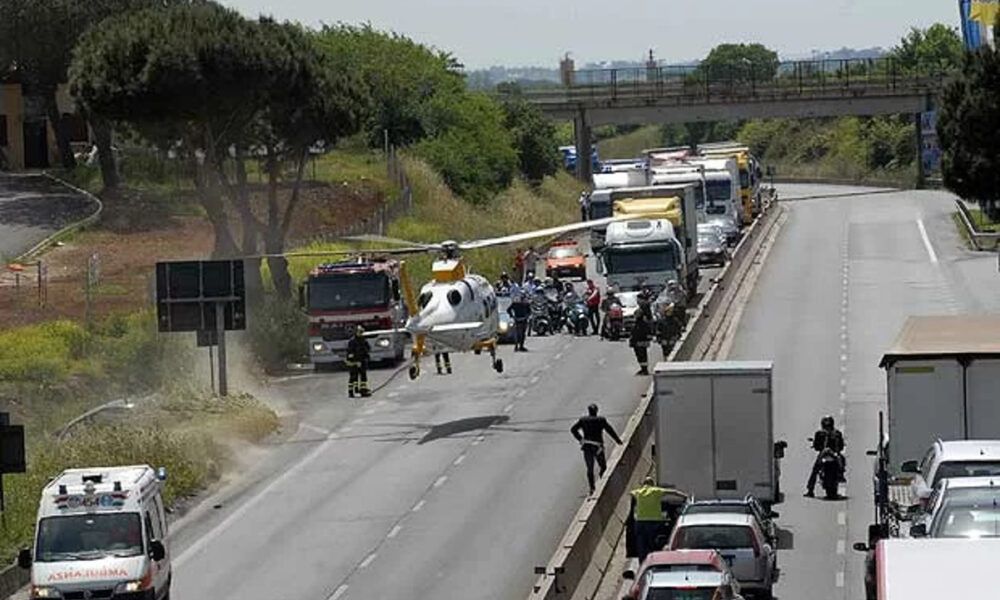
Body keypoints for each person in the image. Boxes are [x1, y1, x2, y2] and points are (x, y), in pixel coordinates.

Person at [570, 404, 623, 495]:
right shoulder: (601, 420)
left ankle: (592, 487)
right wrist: (617, 440)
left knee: (590, 468)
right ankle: (602, 481)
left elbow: (573, 429)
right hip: (598, 447)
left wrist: (580, 439)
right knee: (603, 466)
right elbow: (609, 430)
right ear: (596, 411)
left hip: (587, 447)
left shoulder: (583, 420)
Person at [630, 477, 679, 563]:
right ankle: (652, 561)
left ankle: (642, 562)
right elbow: (673, 492)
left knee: (641, 544)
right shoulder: (656, 491)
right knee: (652, 543)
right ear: (652, 484)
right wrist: (684, 495)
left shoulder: (639, 492)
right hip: (653, 522)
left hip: (640, 522)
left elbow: (631, 493)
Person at [805, 415, 846, 497]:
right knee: (841, 460)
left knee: (815, 470)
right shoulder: (836, 433)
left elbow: (816, 446)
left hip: (827, 455)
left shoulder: (820, 433)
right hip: (832, 455)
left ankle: (810, 489)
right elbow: (841, 446)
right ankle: (841, 474)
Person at [346, 325, 371, 398]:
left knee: (363, 377)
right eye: (360, 332)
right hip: (353, 362)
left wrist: (366, 357)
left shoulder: (363, 340)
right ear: (356, 332)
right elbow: (350, 352)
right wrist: (355, 361)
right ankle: (351, 392)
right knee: (353, 377)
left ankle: (363, 390)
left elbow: (367, 348)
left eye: (362, 332)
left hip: (362, 361)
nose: (361, 333)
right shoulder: (352, 341)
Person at [630, 310, 653, 375]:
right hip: (637, 342)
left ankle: (644, 369)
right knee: (639, 356)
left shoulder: (643, 324)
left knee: (642, 355)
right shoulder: (636, 323)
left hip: (641, 342)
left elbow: (647, 333)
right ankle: (643, 368)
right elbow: (633, 333)